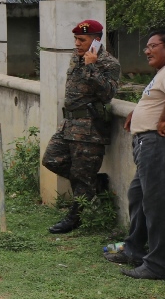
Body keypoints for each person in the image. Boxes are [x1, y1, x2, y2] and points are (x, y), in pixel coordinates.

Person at [104, 29, 165, 280]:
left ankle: (157, 265)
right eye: (147, 46)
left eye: (153, 46)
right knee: (139, 197)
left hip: (159, 144)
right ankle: (133, 249)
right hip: (150, 145)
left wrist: (163, 118)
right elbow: (159, 98)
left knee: (157, 207)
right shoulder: (164, 72)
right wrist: (140, 110)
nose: (147, 51)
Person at [41, 20, 121, 234]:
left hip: (89, 128)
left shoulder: (108, 64)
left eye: (82, 40)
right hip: (69, 124)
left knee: (81, 174)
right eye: (75, 39)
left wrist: (91, 66)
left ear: (96, 40)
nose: (76, 43)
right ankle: (95, 183)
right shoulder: (76, 58)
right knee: (51, 159)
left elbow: (107, 94)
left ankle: (75, 218)